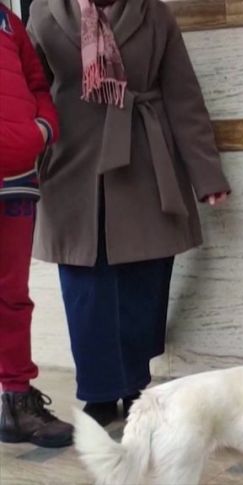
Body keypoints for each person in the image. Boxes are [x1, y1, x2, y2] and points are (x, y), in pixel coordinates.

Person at [27, 0, 231, 425]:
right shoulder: (46, 13)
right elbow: (30, 88)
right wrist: (30, 145)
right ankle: (100, 391)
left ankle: (135, 381)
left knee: (145, 280)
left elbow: (183, 96)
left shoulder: (154, 14)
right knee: (86, 286)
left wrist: (206, 175)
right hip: (73, 167)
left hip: (144, 159)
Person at [0, 2, 73, 448]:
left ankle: (16, 404)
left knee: (11, 298)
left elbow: (36, 82)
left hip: (16, 184)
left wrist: (42, 128)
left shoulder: (9, 22)